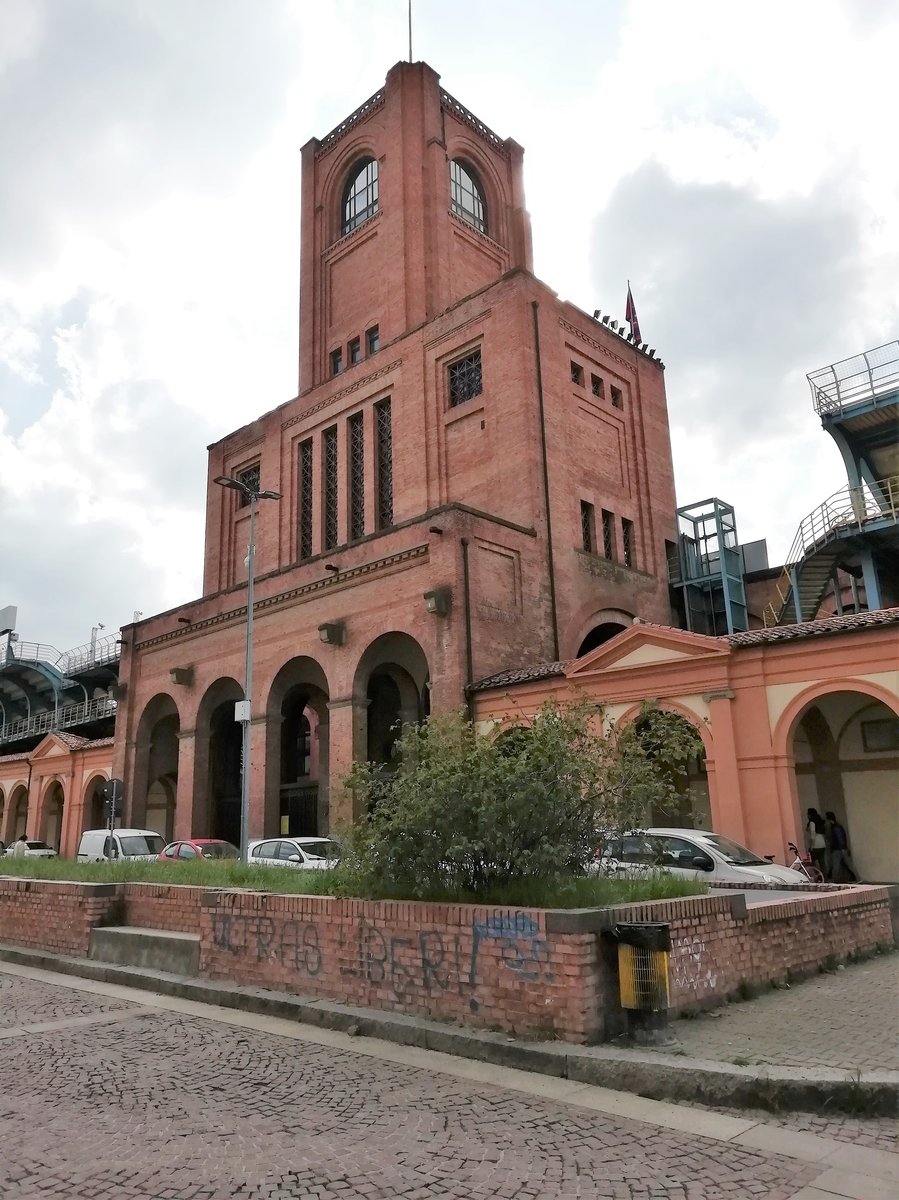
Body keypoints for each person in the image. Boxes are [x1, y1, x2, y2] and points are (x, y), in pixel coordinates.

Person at [825, 811, 858, 882]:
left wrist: (842, 848)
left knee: (836, 865)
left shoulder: (835, 828)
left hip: (838, 849)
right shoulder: (837, 827)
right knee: (846, 865)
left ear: (829, 820)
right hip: (840, 849)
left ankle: (834, 880)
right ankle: (853, 878)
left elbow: (839, 838)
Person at [805, 808, 827, 876]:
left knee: (812, 863)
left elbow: (812, 835)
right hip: (822, 844)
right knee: (822, 863)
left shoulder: (812, 822)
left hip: (815, 845)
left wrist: (811, 846)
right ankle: (824, 877)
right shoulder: (820, 822)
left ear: (810, 815)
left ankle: (817, 876)